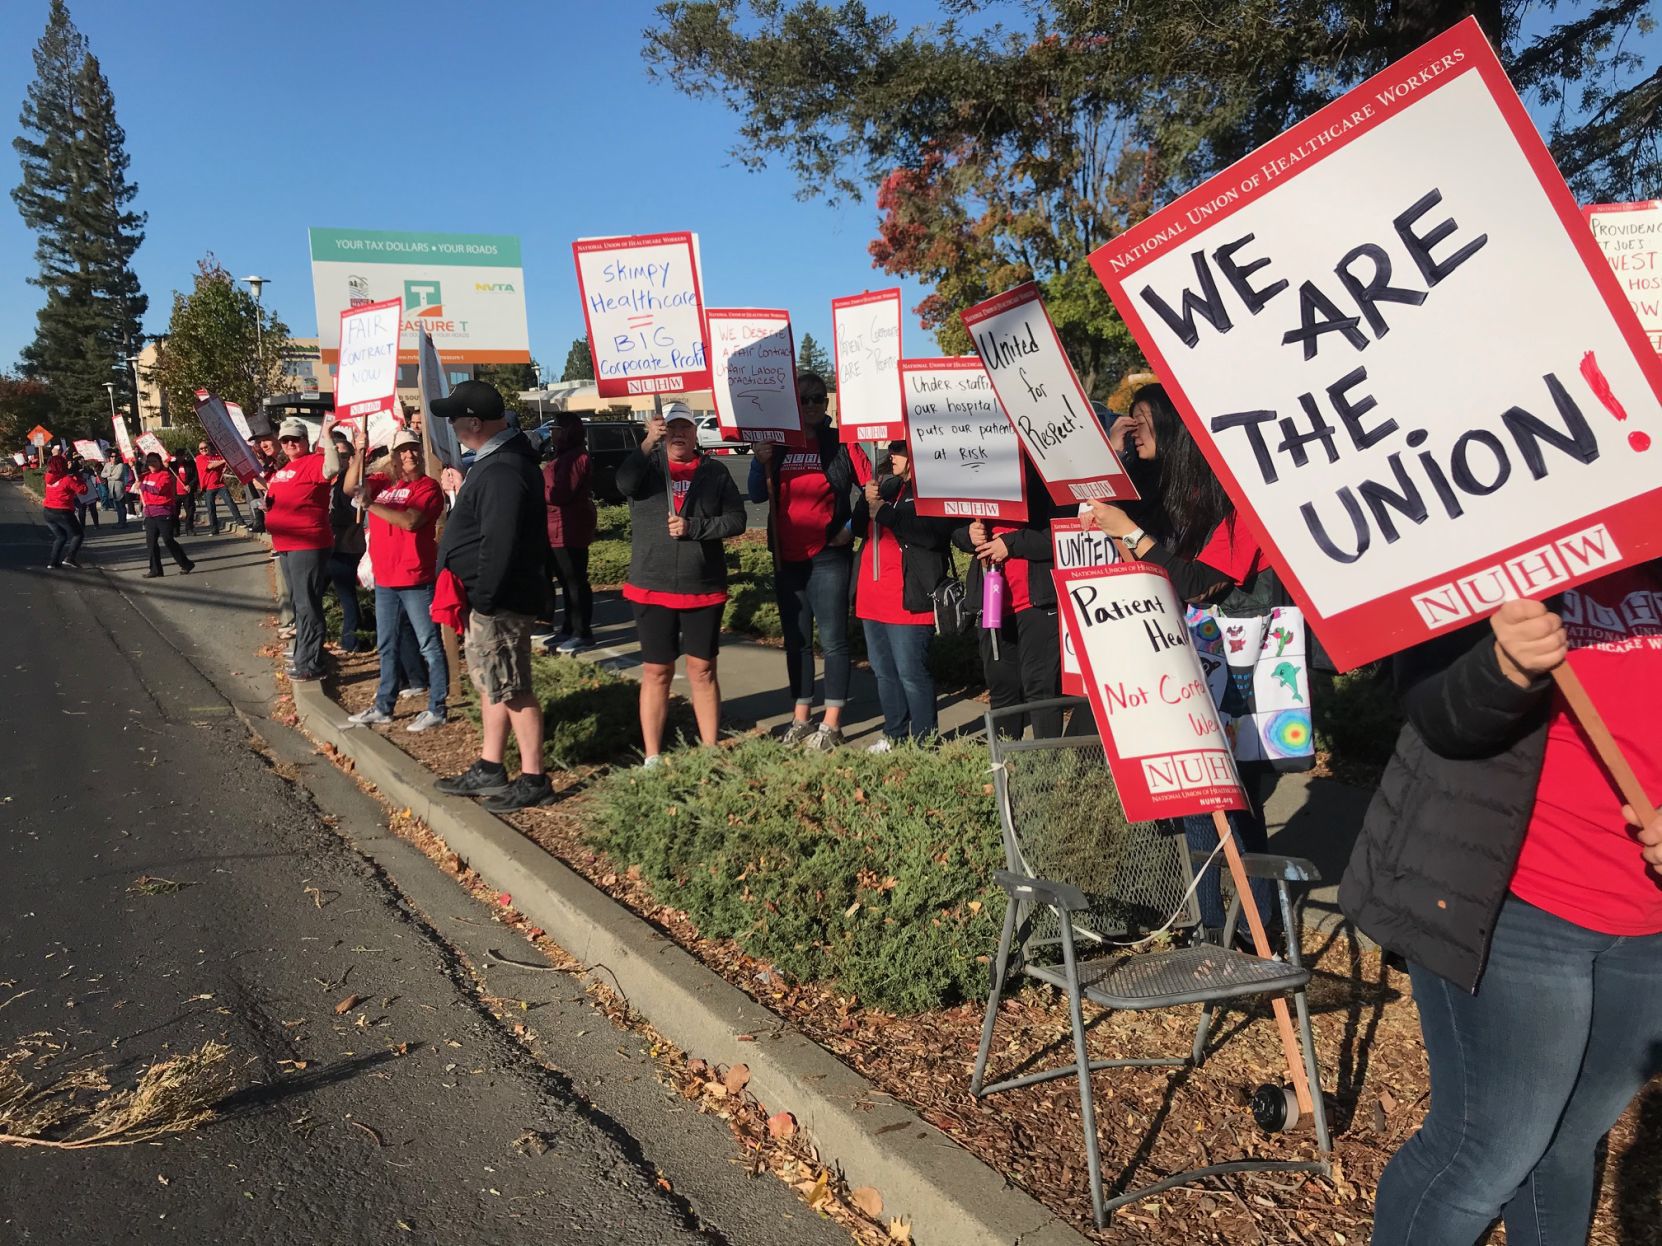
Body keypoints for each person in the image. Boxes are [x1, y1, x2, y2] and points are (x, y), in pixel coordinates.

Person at [1344, 580, 1662, 1246]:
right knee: (1484, 1153)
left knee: (1570, 1143)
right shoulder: (1494, 543)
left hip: (1648, 927)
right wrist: (1502, 669)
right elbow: (1437, 715)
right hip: (1516, 906)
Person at [1082, 382, 1277, 936]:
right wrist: (1118, 464)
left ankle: (1258, 932)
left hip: (1242, 674)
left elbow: (1198, 582)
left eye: (1143, 419)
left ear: (1174, 427)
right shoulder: (1173, 494)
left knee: (1234, 804)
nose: (1134, 427)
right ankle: (1210, 925)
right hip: (1190, 671)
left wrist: (1134, 534)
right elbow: (1151, 556)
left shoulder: (1232, 499)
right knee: (1194, 800)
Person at [431, 381, 555, 811]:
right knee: (492, 683)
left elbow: (499, 542)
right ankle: (490, 765)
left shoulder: (502, 468)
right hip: (492, 599)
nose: (450, 424)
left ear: (474, 423)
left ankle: (535, 777)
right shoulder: (496, 462)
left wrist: (484, 597)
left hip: (500, 601)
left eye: (453, 417)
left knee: (513, 686)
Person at [618, 403, 746, 765]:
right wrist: (646, 444)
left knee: (702, 669)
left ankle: (709, 750)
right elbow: (623, 483)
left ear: (694, 433)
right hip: (651, 583)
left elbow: (736, 520)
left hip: (702, 585)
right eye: (670, 427)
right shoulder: (647, 468)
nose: (678, 434)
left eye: (685, 428)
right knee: (657, 671)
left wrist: (695, 528)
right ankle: (653, 757)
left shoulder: (715, 471)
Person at [748, 372, 864, 749]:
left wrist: (850, 526)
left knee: (832, 641)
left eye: (818, 398)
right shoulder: (778, 443)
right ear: (792, 405)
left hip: (829, 555)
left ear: (826, 404)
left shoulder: (840, 442)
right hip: (788, 559)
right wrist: (757, 461)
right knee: (796, 641)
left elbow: (874, 490)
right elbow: (757, 495)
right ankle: (801, 717)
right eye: (804, 400)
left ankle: (832, 723)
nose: (812, 405)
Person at [342, 427, 449, 733]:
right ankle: (384, 707)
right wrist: (359, 452)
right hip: (386, 579)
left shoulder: (428, 488)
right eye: (402, 450)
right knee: (387, 644)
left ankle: (437, 707)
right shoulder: (383, 483)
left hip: (416, 578)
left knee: (429, 644)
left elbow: (411, 521)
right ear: (394, 456)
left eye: (413, 448)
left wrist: (370, 505)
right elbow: (351, 487)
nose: (409, 455)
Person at [953, 456, 1066, 739]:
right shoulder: (978, 475)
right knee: (1002, 688)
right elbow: (953, 531)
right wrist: (968, 535)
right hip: (992, 601)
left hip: (1036, 603)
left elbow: (1062, 533)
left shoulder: (1047, 476)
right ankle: (1004, 766)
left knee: (1040, 688)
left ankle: (1044, 774)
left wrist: (1011, 544)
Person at [852, 441, 954, 750]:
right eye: (892, 451)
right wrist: (865, 502)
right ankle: (894, 733)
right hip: (873, 592)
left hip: (909, 597)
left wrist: (886, 514)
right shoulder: (885, 485)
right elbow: (859, 527)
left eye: (900, 451)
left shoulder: (932, 490)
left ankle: (925, 743)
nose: (892, 457)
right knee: (884, 672)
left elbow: (933, 536)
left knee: (911, 672)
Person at [264, 416, 342, 681]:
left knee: (307, 603)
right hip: (285, 544)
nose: (289, 444)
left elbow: (333, 469)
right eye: (285, 440)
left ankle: (310, 663)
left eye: (294, 439)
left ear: (305, 441)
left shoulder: (314, 462)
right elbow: (276, 497)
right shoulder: (283, 470)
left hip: (307, 543)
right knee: (299, 602)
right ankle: (302, 653)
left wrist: (329, 436)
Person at [542, 411, 597, 653]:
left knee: (575, 581)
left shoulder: (577, 458)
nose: (552, 433)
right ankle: (567, 628)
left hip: (570, 529)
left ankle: (581, 631)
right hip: (556, 528)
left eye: (556, 429)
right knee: (565, 581)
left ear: (567, 432)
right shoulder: (563, 456)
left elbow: (560, 494)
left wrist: (538, 487)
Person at [325, 426, 368, 653]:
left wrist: (325, 515)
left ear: (351, 458)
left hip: (346, 547)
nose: (338, 459)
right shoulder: (328, 481)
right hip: (330, 546)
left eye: (343, 455)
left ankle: (351, 641)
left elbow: (354, 514)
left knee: (347, 596)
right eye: (335, 454)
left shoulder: (350, 483)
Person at [137, 451, 193, 577]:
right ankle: (155, 570)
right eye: (149, 461)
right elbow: (135, 480)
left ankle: (186, 563)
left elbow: (159, 490)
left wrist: (143, 487)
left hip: (163, 512)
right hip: (150, 513)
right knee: (151, 542)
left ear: (159, 463)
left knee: (168, 540)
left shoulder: (165, 475)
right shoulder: (145, 476)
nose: (151, 464)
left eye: (154, 461)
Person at [41, 453, 86, 569]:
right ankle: (70, 558)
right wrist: (80, 479)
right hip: (63, 511)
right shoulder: (67, 480)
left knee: (61, 536)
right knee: (78, 534)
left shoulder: (48, 477)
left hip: (48, 511)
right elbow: (83, 491)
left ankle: (53, 562)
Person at [195, 437, 246, 535]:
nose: (203, 450)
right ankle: (214, 529)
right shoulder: (200, 458)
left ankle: (240, 521)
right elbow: (210, 466)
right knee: (211, 509)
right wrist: (223, 461)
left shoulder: (217, 457)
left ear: (209, 447)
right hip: (208, 487)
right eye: (201, 448)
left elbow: (227, 466)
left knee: (230, 502)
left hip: (220, 484)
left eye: (205, 447)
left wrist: (227, 463)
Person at [170, 449, 199, 537]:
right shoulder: (171, 466)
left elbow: (195, 477)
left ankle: (189, 528)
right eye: (178, 455)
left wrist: (190, 485)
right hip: (175, 493)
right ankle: (176, 530)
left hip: (187, 493)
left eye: (181, 455)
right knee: (175, 513)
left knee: (190, 511)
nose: (180, 457)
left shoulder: (190, 464)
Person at [102, 454, 131, 529]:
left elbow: (118, 476)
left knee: (121, 504)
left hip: (119, 486)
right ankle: (120, 521)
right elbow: (102, 474)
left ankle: (123, 522)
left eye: (115, 456)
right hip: (111, 487)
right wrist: (109, 474)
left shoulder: (120, 465)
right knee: (117, 506)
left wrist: (109, 477)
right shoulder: (107, 465)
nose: (113, 458)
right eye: (111, 456)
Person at [73, 457, 100, 530]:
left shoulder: (87, 468)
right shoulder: (74, 469)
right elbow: (72, 477)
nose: (81, 461)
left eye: (82, 459)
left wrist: (86, 470)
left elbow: (92, 474)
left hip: (89, 489)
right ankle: (82, 526)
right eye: (79, 459)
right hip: (80, 490)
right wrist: (79, 473)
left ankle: (96, 524)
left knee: (93, 508)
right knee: (82, 509)